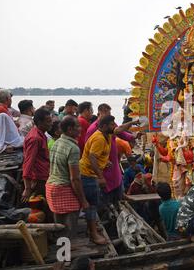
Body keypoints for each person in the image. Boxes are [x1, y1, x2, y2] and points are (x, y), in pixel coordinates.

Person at [85, 103, 139, 207]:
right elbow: (89, 153)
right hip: (102, 166)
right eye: (106, 113)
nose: (108, 116)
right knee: (105, 195)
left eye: (109, 113)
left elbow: (120, 132)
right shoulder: (93, 130)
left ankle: (120, 198)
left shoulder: (110, 125)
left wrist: (133, 137)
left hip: (114, 162)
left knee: (118, 182)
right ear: (99, 113)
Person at [46, 116, 89, 239]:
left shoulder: (57, 142)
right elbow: (74, 179)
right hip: (63, 189)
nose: (80, 129)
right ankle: (66, 254)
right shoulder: (73, 148)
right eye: (78, 127)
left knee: (59, 228)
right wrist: (83, 201)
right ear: (70, 129)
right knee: (69, 231)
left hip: (51, 188)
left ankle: (62, 254)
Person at [79, 115, 116, 245]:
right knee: (92, 205)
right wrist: (101, 177)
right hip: (87, 174)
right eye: (112, 124)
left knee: (94, 202)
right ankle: (93, 234)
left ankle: (93, 226)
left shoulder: (108, 135)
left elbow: (99, 155)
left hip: (91, 173)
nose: (114, 126)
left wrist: (106, 162)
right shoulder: (99, 138)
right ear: (104, 126)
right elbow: (92, 157)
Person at [22, 108, 53, 202]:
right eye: (48, 121)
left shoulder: (41, 134)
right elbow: (28, 162)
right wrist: (27, 188)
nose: (51, 123)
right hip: (39, 178)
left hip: (44, 175)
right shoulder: (35, 138)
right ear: (40, 122)